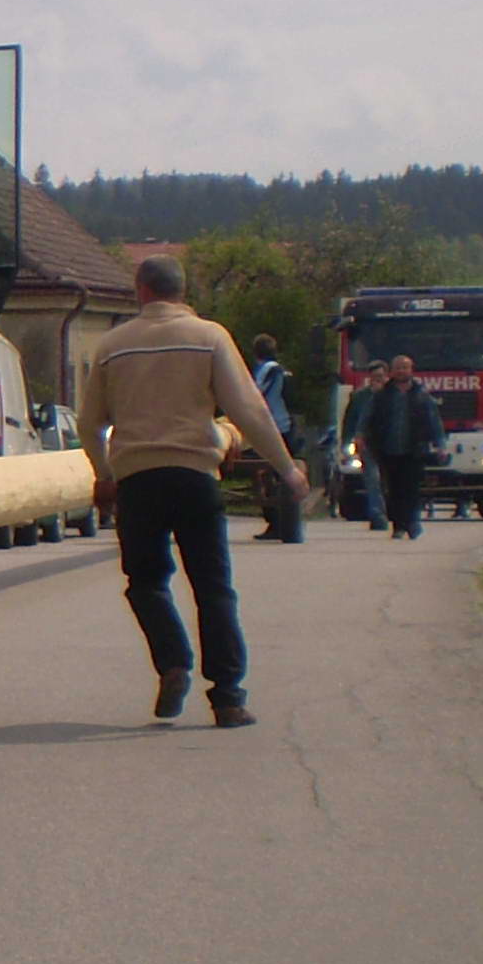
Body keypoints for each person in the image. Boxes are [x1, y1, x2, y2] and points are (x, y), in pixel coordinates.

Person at [78, 255, 307, 728]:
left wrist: (104, 474)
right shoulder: (209, 337)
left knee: (145, 582)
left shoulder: (112, 345)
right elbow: (249, 410)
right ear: (182, 292)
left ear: (140, 290)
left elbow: (89, 422)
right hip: (195, 476)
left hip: (139, 480)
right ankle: (227, 698)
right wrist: (287, 469)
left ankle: (173, 661)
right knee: (213, 588)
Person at [360, 353, 446, 540]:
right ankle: (399, 526)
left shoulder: (422, 396)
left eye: (405, 367)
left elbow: (434, 421)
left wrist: (440, 445)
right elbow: (367, 418)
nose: (401, 371)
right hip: (387, 449)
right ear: (392, 371)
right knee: (393, 489)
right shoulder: (382, 396)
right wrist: (361, 437)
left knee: (411, 488)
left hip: (414, 450)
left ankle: (413, 522)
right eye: (398, 367)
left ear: (411, 370)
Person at [247, 334, 304, 545]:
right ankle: (281, 521)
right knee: (278, 474)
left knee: (267, 474)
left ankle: (276, 521)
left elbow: (254, 396)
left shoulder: (266, 372)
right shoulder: (283, 372)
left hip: (270, 428)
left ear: (256, 352)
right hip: (284, 427)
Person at [342, 362, 391, 530]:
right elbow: (350, 422)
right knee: (372, 480)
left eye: (381, 377)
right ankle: (378, 516)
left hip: (391, 446)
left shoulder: (395, 396)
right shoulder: (359, 397)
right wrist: (347, 444)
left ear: (387, 376)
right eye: (374, 377)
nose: (378, 381)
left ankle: (395, 513)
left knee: (390, 481)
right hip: (368, 446)